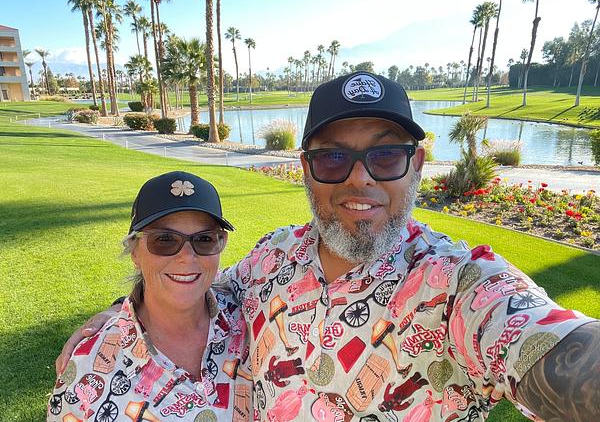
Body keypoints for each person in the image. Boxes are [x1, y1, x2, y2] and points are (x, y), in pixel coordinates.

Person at [58, 73, 600, 421]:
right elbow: (197, 281)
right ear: (307, 169)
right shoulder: (272, 258)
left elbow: (542, 340)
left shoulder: (459, 284)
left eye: (385, 156)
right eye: (334, 157)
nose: (360, 179)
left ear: (416, 165)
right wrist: (121, 315)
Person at [48, 171, 252, 421]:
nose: (187, 257)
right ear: (134, 251)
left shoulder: (250, 313)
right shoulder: (87, 370)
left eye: (204, 239)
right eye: (164, 240)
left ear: (221, 243)